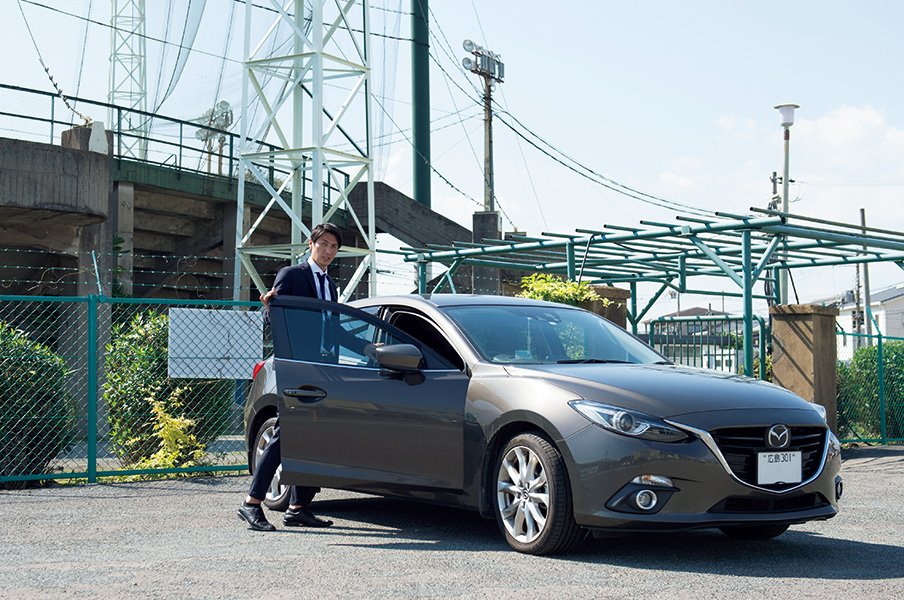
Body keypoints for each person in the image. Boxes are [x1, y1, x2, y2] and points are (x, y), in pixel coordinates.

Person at [237, 222, 343, 532]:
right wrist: (269, 304)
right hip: (298, 368)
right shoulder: (292, 275)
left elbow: (331, 326)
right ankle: (251, 503)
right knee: (287, 434)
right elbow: (274, 317)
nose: (328, 251)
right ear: (311, 244)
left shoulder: (330, 285)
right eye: (323, 244)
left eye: (334, 247)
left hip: (324, 367)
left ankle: (298, 507)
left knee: (315, 436)